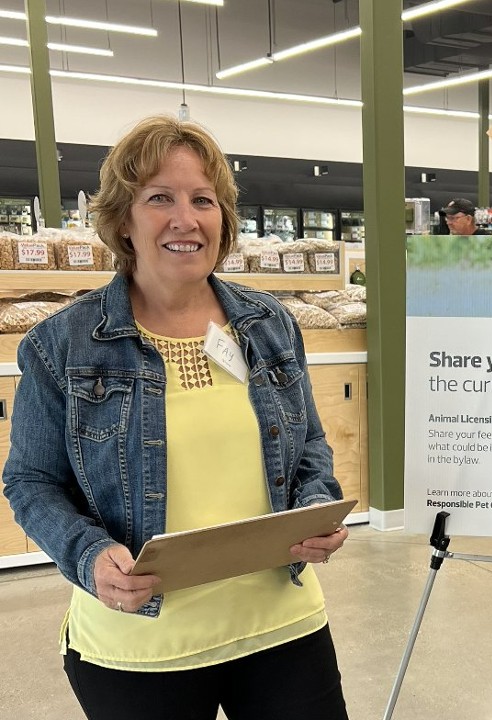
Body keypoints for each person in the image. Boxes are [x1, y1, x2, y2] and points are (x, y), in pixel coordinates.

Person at [1, 115, 351, 720]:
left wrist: (317, 504)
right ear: (124, 220)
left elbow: (311, 445)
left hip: (281, 629)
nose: (185, 219)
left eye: (202, 200)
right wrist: (87, 556)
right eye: (160, 197)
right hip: (139, 646)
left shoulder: (269, 326)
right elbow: (30, 482)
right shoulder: (62, 345)